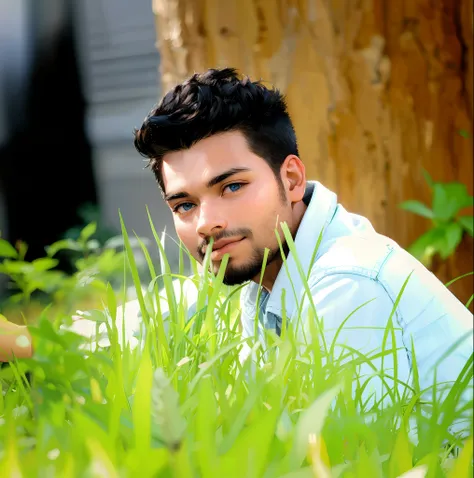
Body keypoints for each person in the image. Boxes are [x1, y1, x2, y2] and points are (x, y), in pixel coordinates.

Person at [1, 69, 472, 407]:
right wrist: (23, 342)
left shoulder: (346, 285)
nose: (206, 221)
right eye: (185, 204)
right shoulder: (260, 267)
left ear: (290, 179)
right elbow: (141, 325)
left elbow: (357, 459)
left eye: (231, 187)